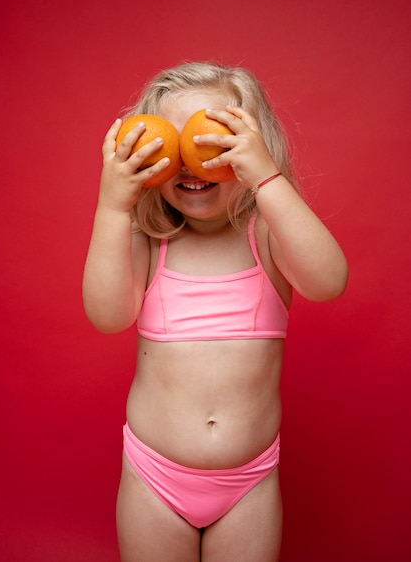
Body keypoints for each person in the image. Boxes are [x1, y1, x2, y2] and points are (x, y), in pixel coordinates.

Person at [82, 61, 348, 562]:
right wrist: (113, 207)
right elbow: (106, 314)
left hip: (248, 480)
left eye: (211, 143)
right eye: (171, 147)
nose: (189, 163)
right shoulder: (148, 242)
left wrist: (266, 176)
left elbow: (329, 282)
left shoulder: (267, 236)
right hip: (154, 477)